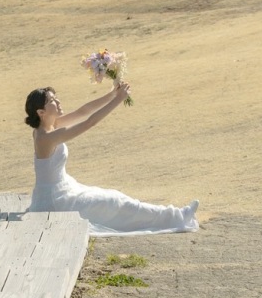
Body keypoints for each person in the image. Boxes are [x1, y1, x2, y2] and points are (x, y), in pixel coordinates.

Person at [24, 85, 199, 235]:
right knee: (114, 201)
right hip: (57, 203)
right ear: (41, 112)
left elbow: (83, 112)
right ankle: (178, 217)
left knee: (114, 198)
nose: (58, 102)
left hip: (64, 190)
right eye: (52, 101)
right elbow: (89, 122)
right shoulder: (45, 138)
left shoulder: (49, 126)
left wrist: (113, 94)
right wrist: (119, 100)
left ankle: (175, 215)